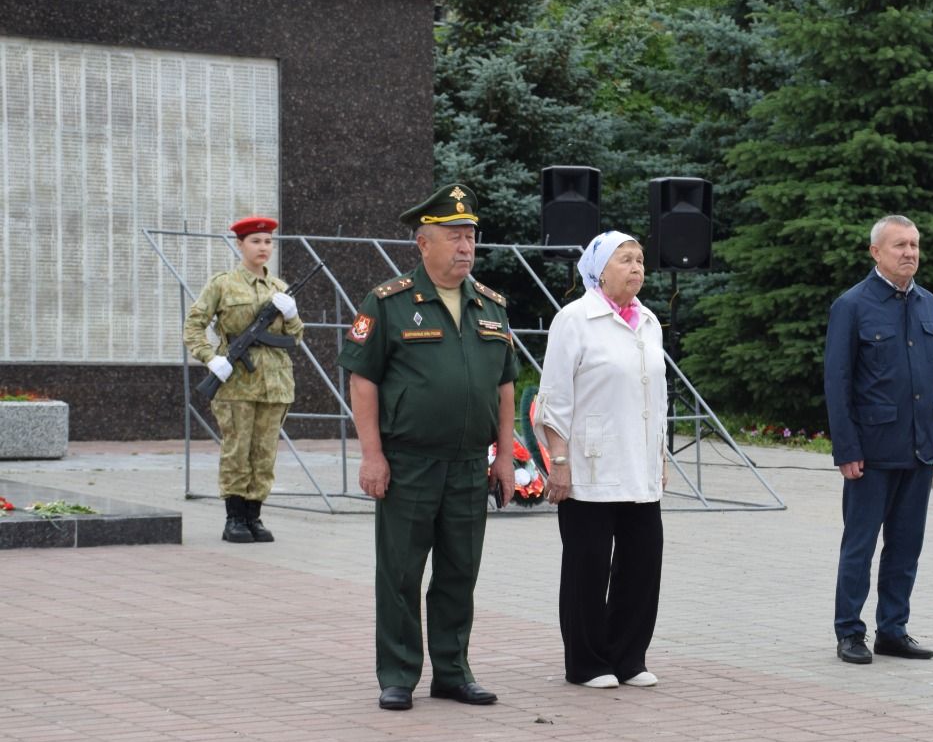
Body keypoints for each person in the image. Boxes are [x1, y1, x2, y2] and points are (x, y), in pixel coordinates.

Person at [337, 183, 516, 712]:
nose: (466, 247)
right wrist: (372, 455)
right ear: (423, 244)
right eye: (454, 237)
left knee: (460, 571)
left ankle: (453, 672)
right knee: (400, 572)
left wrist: (505, 457)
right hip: (408, 463)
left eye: (471, 237)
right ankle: (398, 674)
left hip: (469, 465)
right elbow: (362, 381)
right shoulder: (388, 303)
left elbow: (505, 386)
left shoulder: (491, 305)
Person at [823, 215, 933, 665]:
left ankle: (893, 630)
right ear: (876, 252)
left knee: (906, 546)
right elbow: (838, 383)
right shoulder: (852, 305)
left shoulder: (928, 303)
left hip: (920, 448)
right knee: (860, 545)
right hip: (872, 451)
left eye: (914, 245)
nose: (910, 253)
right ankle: (850, 632)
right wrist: (846, 449)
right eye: (900, 245)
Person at [534, 231, 668, 690]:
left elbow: (658, 399)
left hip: (639, 465)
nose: (636, 267)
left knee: (642, 563)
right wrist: (559, 460)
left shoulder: (648, 321)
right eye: (625, 259)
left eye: (640, 259)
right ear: (599, 270)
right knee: (587, 567)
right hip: (589, 464)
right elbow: (553, 398)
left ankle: (628, 657)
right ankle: (587, 662)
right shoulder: (574, 319)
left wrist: (660, 455)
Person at [183, 216, 303, 543]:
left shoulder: (280, 288)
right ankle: (234, 518)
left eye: (268, 242)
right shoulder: (223, 284)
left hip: (275, 384)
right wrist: (210, 358)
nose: (263, 247)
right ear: (240, 245)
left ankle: (254, 517)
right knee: (237, 450)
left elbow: (296, 337)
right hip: (235, 382)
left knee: (264, 454)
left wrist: (292, 315)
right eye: (255, 241)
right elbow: (193, 326)